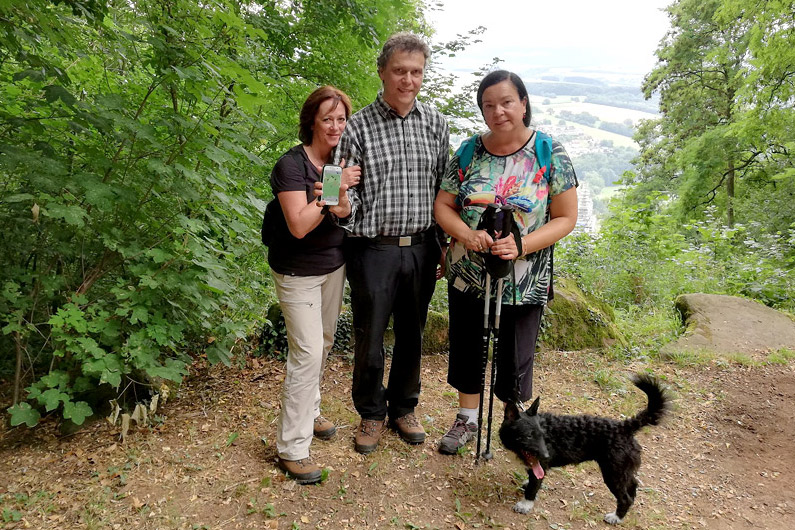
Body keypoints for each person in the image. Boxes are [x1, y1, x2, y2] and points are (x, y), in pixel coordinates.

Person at [433, 70, 578, 455]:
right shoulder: (468, 151)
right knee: (467, 348)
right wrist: (465, 235)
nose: (498, 112)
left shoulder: (549, 152)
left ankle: (516, 426)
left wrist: (522, 245)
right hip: (469, 272)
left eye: (506, 102)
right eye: (488, 105)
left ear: (524, 103)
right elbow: (443, 206)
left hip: (524, 277)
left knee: (515, 357)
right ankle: (467, 420)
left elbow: (566, 217)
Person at [334, 32, 450, 454]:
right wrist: (342, 206)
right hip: (373, 249)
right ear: (383, 72)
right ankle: (370, 412)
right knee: (369, 335)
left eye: (416, 71)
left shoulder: (437, 125)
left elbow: (444, 189)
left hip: (422, 246)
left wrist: (443, 245)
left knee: (412, 334)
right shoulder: (358, 127)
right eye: (399, 71)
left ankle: (404, 407)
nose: (408, 80)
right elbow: (344, 192)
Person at [268, 85, 361, 484]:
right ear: (311, 121)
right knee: (306, 352)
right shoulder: (291, 166)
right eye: (327, 119)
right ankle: (292, 447)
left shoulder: (341, 160)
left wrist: (338, 198)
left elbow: (344, 211)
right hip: (296, 270)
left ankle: (311, 411)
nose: (335, 126)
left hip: (333, 266)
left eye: (341, 119)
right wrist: (326, 197)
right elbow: (300, 225)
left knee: (322, 342)